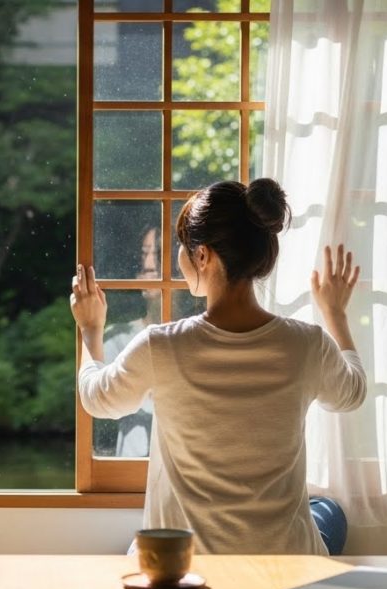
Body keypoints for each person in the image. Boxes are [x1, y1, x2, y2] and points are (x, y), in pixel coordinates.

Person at [71, 178, 364, 555]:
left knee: (140, 550)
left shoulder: (161, 346)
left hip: (186, 567)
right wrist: (335, 314)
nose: (178, 258)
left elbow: (97, 399)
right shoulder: (307, 343)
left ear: (204, 256)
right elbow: (352, 392)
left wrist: (91, 329)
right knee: (329, 510)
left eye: (182, 246)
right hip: (285, 566)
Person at [99, 225, 161, 457]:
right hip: (128, 473)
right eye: (144, 254)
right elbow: (100, 401)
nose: (148, 265)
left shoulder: (195, 339)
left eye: (157, 254)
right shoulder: (117, 338)